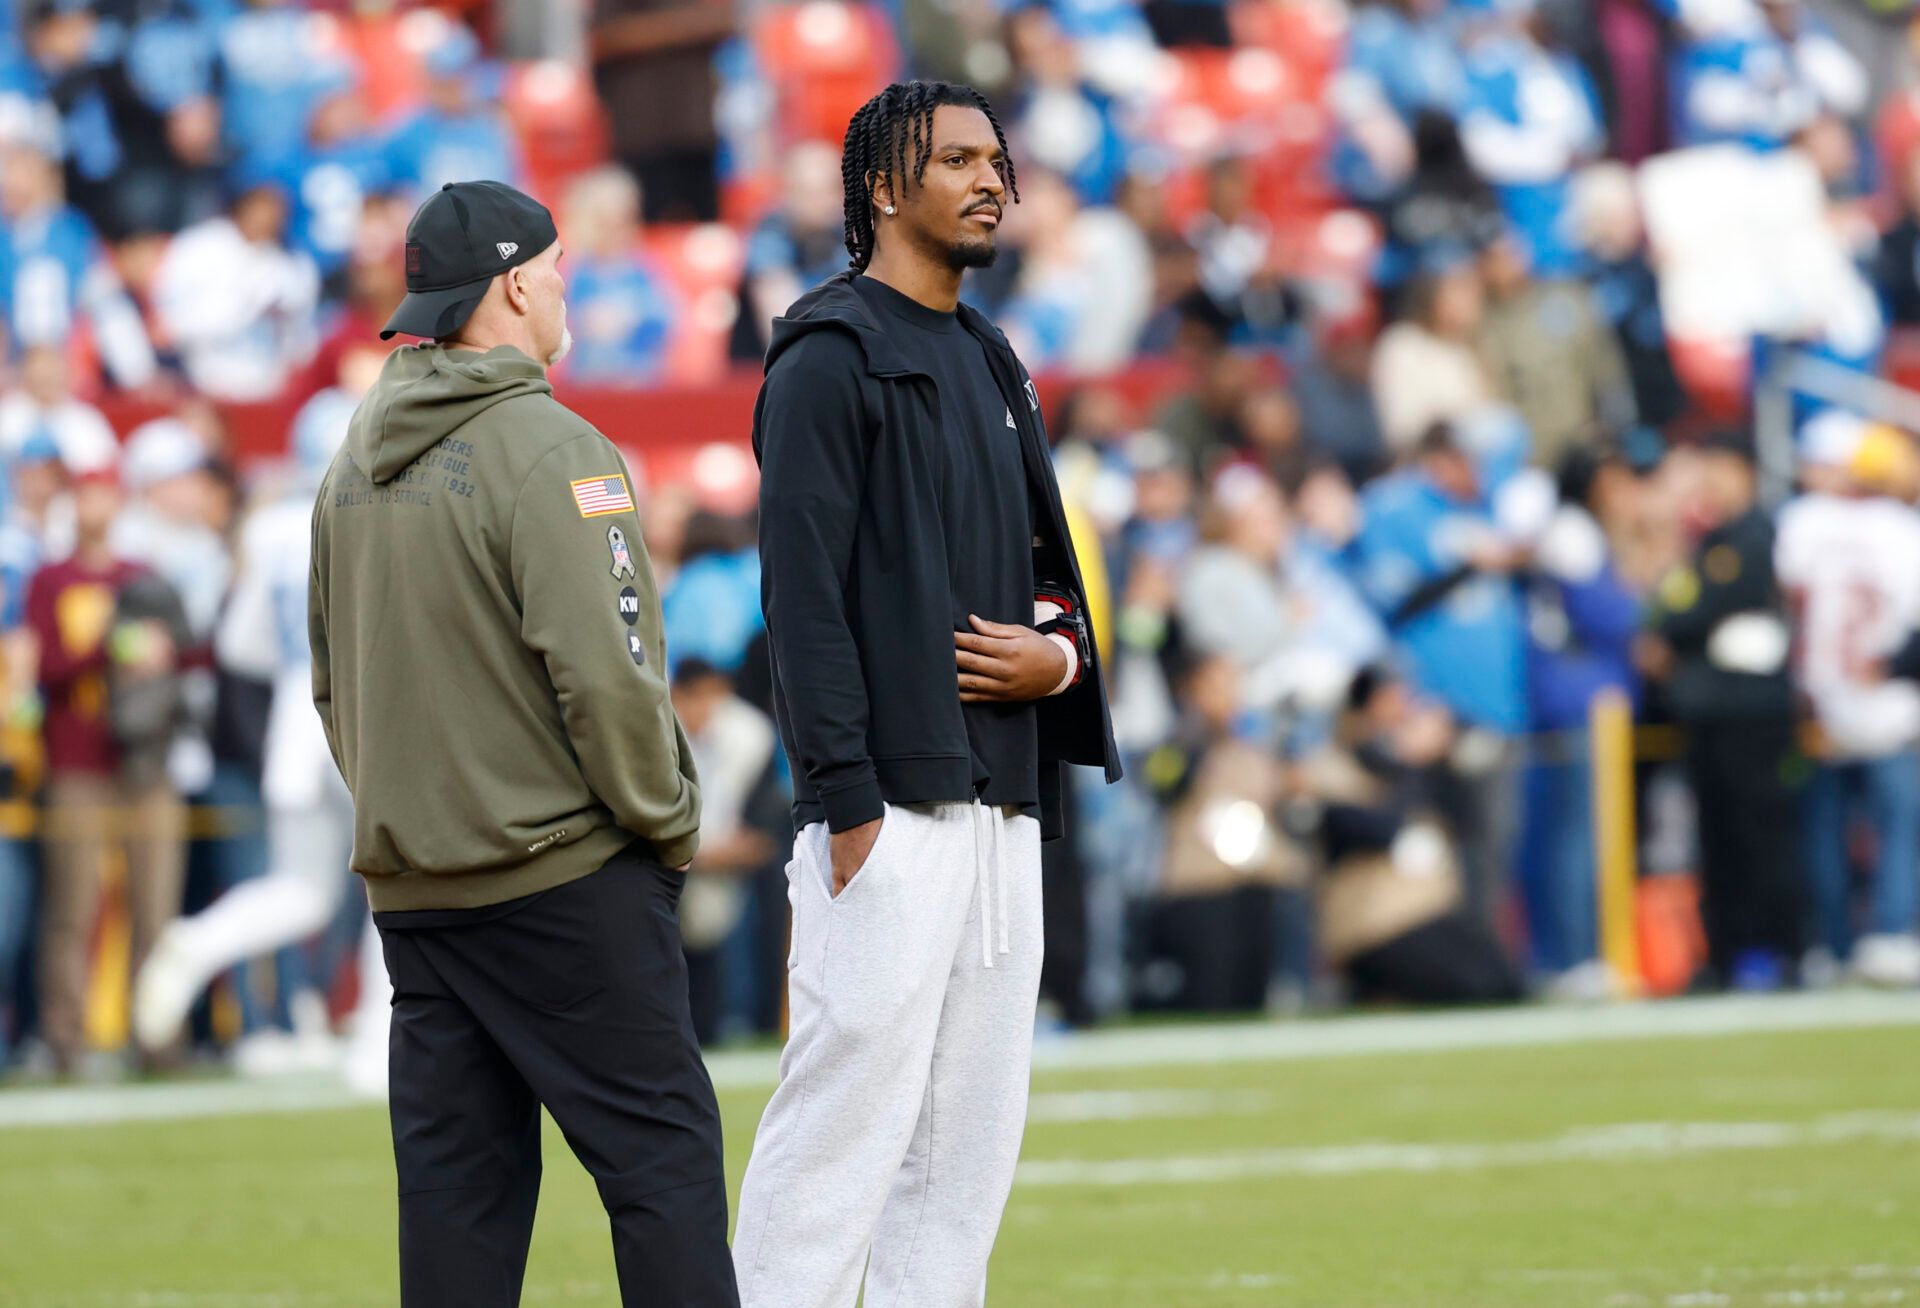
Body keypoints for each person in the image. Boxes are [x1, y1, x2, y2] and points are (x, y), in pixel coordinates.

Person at [307, 180, 737, 1306]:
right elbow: (611, 676)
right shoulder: (554, 448)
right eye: (554, 269)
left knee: (459, 1204)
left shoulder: (350, 463)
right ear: (512, 284)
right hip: (564, 880)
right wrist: (669, 823)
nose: (564, 289)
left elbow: (331, 687)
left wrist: (420, 817)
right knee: (662, 1168)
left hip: (418, 891)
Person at [733, 81, 1121, 1307]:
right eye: (956, 158)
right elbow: (801, 599)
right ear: (884, 187)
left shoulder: (994, 355)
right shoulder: (825, 352)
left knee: (965, 1162)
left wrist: (1059, 665)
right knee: (840, 1139)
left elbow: (1050, 575)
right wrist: (844, 807)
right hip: (888, 810)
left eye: (998, 159)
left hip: (1008, 802)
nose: (991, 178)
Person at [28, 465, 188, 1075]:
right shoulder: (52, 580)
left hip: (144, 763)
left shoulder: (139, 577)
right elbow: (49, 668)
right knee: (72, 908)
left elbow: (189, 651)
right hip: (77, 765)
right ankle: (65, 1039)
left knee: (157, 909)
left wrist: (164, 649)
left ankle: (158, 1037)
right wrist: (115, 646)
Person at [1641, 430, 1802, 989]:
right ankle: (1728, 952)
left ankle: (1780, 951)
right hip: (1711, 714)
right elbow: (1675, 602)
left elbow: (1699, 605)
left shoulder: (1750, 536)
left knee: (1759, 836)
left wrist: (1669, 631)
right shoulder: (1709, 541)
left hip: (1748, 713)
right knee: (1718, 841)